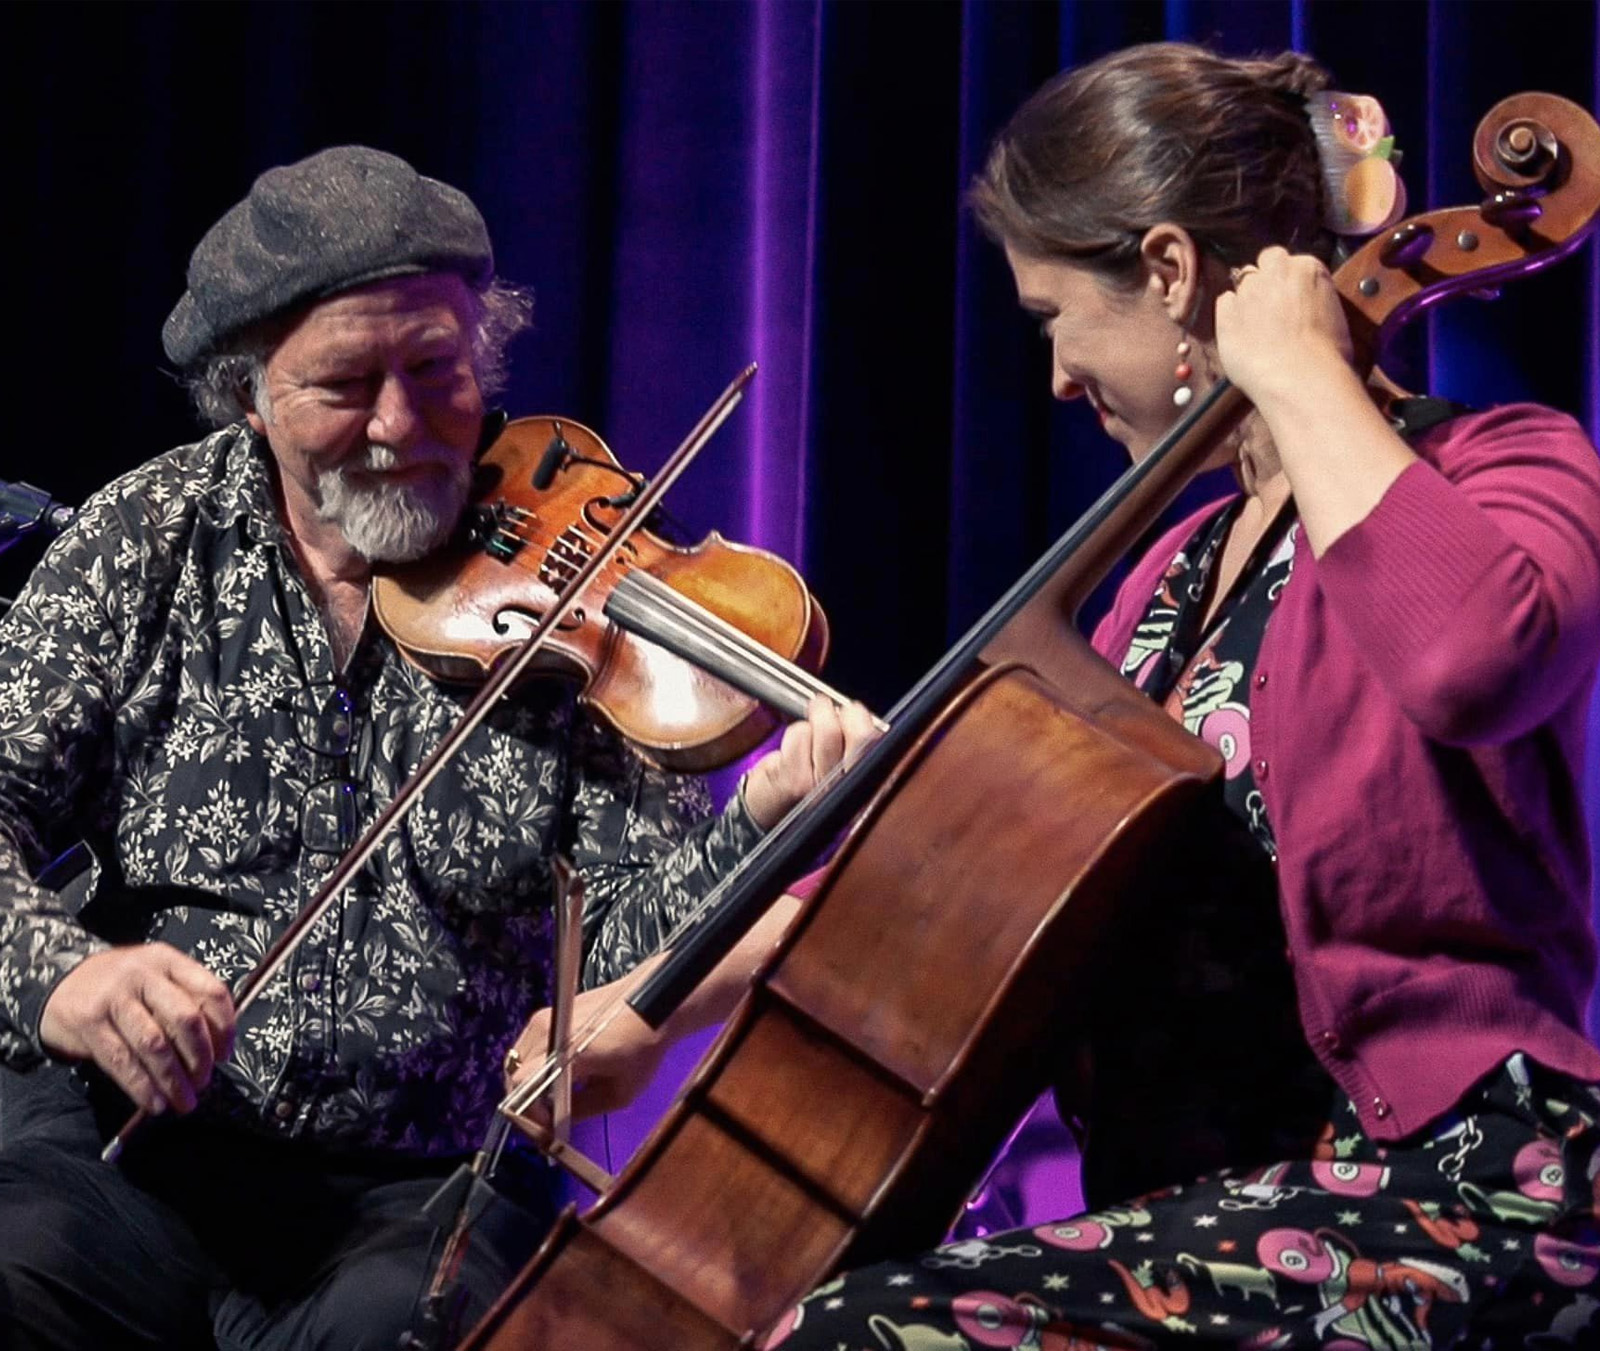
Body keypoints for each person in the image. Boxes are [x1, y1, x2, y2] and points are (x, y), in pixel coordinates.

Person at [523, 44, 1600, 1349]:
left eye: (1053, 318)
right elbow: (966, 886)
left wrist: (1303, 369)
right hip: (1214, 1219)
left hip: (1457, 1187)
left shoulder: (1504, 466)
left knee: (857, 1335)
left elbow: (1469, 658)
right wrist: (653, 1002)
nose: (1056, 379)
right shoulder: (1161, 575)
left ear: (1169, 272)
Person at [0, 144, 874, 1351]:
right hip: (129, 1146)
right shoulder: (145, 539)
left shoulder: (582, 590)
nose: (400, 426)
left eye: (435, 369)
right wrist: (64, 975)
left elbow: (617, 952)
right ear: (249, 396)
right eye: (343, 385)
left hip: (424, 1181)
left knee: (414, 1330)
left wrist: (758, 827)